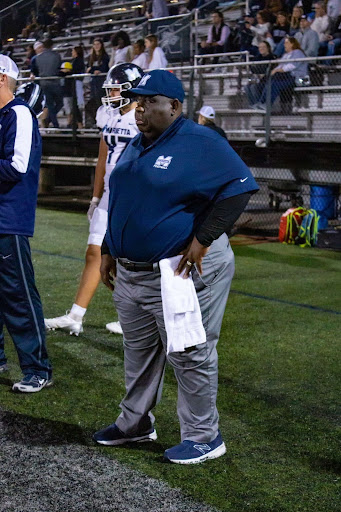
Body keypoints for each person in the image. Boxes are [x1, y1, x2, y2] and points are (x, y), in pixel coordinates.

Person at [93, 69, 259, 464]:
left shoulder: (199, 141)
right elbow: (125, 202)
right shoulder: (138, 143)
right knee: (139, 351)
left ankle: (205, 437)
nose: (140, 108)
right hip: (134, 270)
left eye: (150, 101)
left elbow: (240, 187)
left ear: (174, 106)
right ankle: (135, 423)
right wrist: (108, 247)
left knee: (189, 351)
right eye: (138, 101)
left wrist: (203, 240)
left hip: (180, 270)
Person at [44, 63, 144, 337]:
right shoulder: (112, 117)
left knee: (129, 260)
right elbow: (103, 158)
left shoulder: (143, 118)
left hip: (130, 198)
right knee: (93, 253)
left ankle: (135, 319)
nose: (110, 94)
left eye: (115, 89)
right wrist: (96, 195)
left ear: (131, 89)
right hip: (109, 196)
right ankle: (76, 316)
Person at [0, 56, 52, 392]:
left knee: (18, 295)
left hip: (8, 219)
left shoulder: (19, 113)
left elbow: (17, 166)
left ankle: (37, 368)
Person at [255, 36, 308, 110]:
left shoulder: (297, 52)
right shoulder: (286, 55)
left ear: (292, 44)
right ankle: (262, 102)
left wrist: (278, 70)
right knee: (269, 82)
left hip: (298, 78)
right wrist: (273, 71)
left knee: (275, 84)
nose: (284, 45)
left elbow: (292, 66)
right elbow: (281, 65)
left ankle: (266, 104)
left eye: (286, 43)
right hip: (285, 76)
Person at [31, 38, 63, 129]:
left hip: (44, 83)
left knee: (50, 105)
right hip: (54, 82)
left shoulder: (38, 58)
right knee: (59, 103)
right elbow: (58, 67)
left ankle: (51, 121)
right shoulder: (56, 56)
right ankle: (52, 122)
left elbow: (36, 70)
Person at [85, 38, 109, 128]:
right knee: (93, 102)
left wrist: (93, 70)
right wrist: (93, 70)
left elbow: (103, 68)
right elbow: (89, 69)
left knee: (100, 102)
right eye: (94, 44)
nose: (96, 46)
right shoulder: (92, 57)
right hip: (93, 82)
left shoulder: (105, 57)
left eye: (98, 44)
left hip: (101, 82)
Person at [245, 40, 276, 106]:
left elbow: (269, 69)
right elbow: (253, 69)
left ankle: (259, 105)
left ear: (268, 48)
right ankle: (253, 105)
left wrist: (261, 72)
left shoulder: (272, 57)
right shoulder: (257, 58)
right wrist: (259, 73)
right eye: (260, 47)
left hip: (268, 80)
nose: (261, 49)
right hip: (258, 79)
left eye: (263, 47)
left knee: (254, 87)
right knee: (246, 87)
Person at [72, 46, 85, 127]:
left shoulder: (78, 61)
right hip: (77, 83)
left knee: (78, 103)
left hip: (77, 83)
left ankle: (80, 123)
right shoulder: (78, 61)